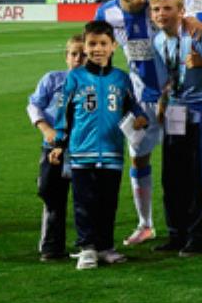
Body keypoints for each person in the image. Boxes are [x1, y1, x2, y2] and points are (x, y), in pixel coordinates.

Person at [50, 20, 149, 270]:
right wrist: (60, 143)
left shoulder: (121, 79)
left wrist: (140, 117)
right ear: (84, 46)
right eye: (92, 44)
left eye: (103, 43)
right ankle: (87, 248)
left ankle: (105, 247)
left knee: (108, 201)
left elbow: (132, 105)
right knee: (84, 203)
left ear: (113, 46)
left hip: (113, 152)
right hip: (82, 152)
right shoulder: (75, 77)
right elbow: (64, 112)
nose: (97, 49)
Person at [149, 0, 202, 257]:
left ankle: (199, 237)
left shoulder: (198, 33)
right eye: (157, 10)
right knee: (173, 175)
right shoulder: (159, 41)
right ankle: (177, 233)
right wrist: (163, 101)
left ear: (182, 11)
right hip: (176, 110)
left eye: (168, 8)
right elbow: (170, 78)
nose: (161, 14)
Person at [95, 0, 168, 247]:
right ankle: (145, 224)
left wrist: (171, 91)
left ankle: (194, 224)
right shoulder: (106, 13)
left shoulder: (158, 6)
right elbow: (101, 54)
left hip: (174, 99)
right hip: (138, 100)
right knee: (138, 159)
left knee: (185, 162)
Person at [27, 34, 86, 261]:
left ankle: (88, 245)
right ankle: (52, 247)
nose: (78, 59)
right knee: (51, 196)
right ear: (66, 57)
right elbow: (34, 105)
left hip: (83, 150)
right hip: (52, 149)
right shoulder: (52, 80)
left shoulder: (96, 82)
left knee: (86, 200)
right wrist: (46, 130)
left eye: (83, 54)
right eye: (74, 54)